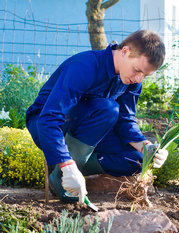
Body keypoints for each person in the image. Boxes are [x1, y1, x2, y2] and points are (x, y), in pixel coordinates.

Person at [26, 29, 168, 203]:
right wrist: (67, 164)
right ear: (125, 51)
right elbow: (49, 119)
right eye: (138, 70)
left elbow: (126, 121)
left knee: (136, 160)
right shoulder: (85, 66)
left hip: (89, 129)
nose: (139, 79)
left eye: (145, 75)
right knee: (107, 108)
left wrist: (148, 148)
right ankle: (65, 169)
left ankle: (63, 171)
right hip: (47, 125)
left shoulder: (131, 81)